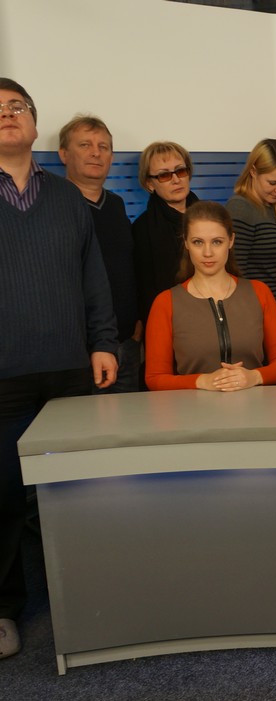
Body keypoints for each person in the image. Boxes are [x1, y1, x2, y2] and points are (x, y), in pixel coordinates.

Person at [0, 78, 118, 659]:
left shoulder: (67, 198)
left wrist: (104, 342)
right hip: (3, 377)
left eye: (16, 106)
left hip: (69, 369)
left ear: (33, 121)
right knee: (2, 497)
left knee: (74, 489)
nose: (7, 114)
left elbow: (93, 278)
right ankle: (4, 610)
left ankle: (88, 596)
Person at [145, 201, 276, 391]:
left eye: (217, 242)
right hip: (192, 407)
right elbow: (155, 378)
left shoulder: (259, 292)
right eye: (198, 242)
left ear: (231, 241)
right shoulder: (166, 302)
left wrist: (254, 377)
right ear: (186, 243)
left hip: (255, 405)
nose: (208, 253)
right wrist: (202, 381)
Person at [59, 114, 141, 393]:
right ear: (63, 154)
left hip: (127, 344)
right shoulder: (54, 206)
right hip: (79, 351)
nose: (96, 153)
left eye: (103, 147)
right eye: (85, 145)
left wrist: (136, 322)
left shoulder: (116, 205)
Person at [226, 139, 276, 352]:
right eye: (273, 182)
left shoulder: (269, 207)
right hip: (258, 320)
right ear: (253, 171)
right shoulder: (240, 209)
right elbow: (235, 274)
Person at [132, 140, 199, 324]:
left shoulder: (210, 218)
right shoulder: (142, 228)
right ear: (150, 184)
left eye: (180, 171)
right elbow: (143, 288)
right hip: (165, 320)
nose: (176, 179)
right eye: (164, 175)